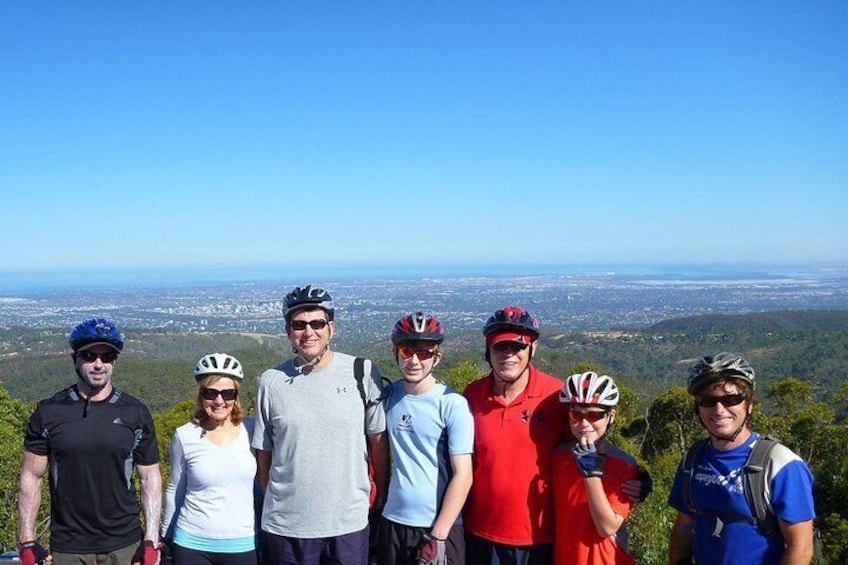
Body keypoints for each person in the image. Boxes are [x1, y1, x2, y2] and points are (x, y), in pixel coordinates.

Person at [252, 285, 390, 565]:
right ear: (288, 330)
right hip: (286, 524)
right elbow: (264, 455)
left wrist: (379, 496)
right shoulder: (271, 381)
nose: (308, 332)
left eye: (317, 323)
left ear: (331, 328)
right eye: (299, 325)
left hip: (347, 522)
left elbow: (378, 443)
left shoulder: (361, 372)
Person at [17, 318, 162, 565]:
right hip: (69, 546)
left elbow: (150, 477)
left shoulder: (135, 413)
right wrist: (27, 541)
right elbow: (32, 476)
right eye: (89, 355)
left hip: (126, 543)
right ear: (75, 359)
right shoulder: (49, 413)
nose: (98, 364)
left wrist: (150, 539)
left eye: (107, 357)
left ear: (114, 362)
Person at [667, 352, 816, 564]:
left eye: (731, 399)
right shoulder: (692, 460)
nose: (719, 410)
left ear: (749, 404)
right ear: (697, 407)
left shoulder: (781, 464)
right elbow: (684, 528)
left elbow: (800, 547)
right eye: (708, 400)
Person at [462, 307, 567, 564]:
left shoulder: (556, 396)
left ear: (533, 348)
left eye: (517, 347)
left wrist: (629, 474)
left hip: (538, 537)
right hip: (480, 533)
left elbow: (588, 437)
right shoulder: (472, 395)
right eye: (500, 347)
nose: (508, 355)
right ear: (489, 351)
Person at [377, 312, 474, 565]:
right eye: (407, 350)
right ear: (395, 352)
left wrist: (439, 535)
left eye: (425, 353)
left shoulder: (451, 403)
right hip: (393, 521)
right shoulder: (388, 397)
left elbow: (463, 474)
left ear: (437, 357)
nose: (414, 361)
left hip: (436, 526)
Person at [161, 353, 258, 565]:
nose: (219, 401)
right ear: (200, 395)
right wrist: (164, 539)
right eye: (210, 393)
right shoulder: (185, 436)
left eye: (228, 393)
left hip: (242, 542)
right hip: (191, 543)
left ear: (236, 396)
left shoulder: (252, 430)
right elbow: (175, 489)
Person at [553, 372, 639, 565]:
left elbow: (607, 527)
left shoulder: (624, 464)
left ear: (611, 416)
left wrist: (591, 474)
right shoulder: (559, 456)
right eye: (576, 414)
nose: (584, 423)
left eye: (594, 415)